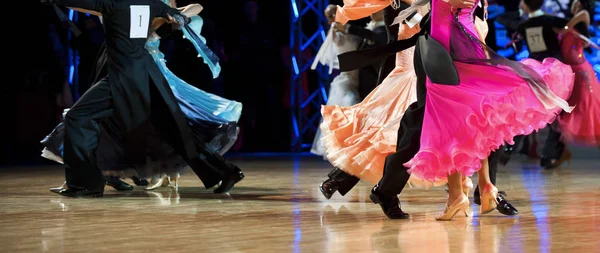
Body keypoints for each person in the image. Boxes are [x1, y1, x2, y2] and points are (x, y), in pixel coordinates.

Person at [43, 0, 244, 197]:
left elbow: (84, 4)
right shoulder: (151, 4)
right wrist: (173, 21)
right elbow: (177, 13)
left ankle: (86, 184)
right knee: (174, 129)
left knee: (78, 118)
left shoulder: (114, 4)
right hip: (146, 73)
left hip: (123, 76)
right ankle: (225, 172)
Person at [556, 0, 600, 149]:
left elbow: (565, 28)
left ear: (581, 3)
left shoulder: (582, 14)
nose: (572, 5)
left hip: (580, 69)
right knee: (576, 104)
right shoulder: (576, 23)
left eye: (575, 2)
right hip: (571, 68)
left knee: (586, 104)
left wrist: (560, 29)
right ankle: (559, 151)